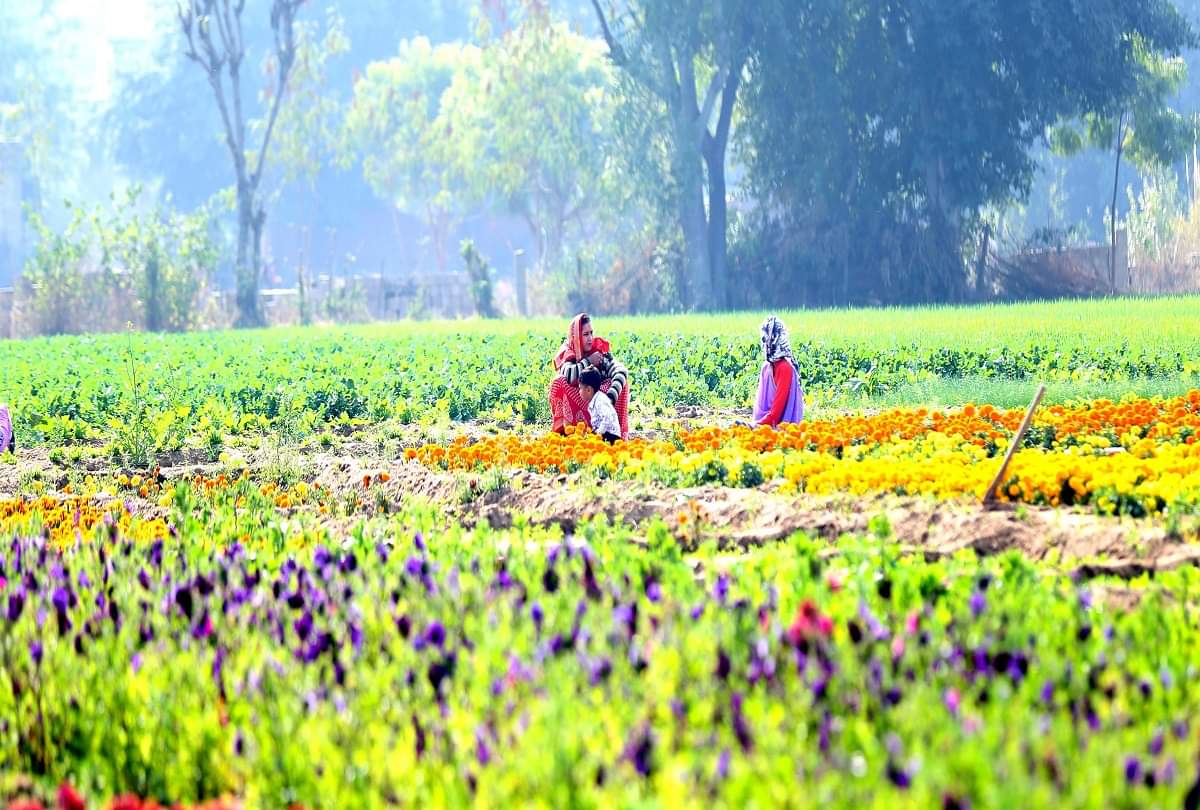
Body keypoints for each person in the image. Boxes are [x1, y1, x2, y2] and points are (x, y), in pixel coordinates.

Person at [548, 313, 630, 438]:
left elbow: (621, 371)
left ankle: (611, 436)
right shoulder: (569, 352)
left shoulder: (598, 352)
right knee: (559, 382)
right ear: (575, 337)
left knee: (621, 384)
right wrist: (589, 361)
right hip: (577, 401)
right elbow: (569, 375)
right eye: (586, 334)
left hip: (599, 406)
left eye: (591, 333)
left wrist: (609, 399)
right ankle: (567, 432)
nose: (590, 338)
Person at [753, 315, 804, 427]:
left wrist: (754, 426)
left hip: (783, 431)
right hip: (764, 425)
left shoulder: (785, 368)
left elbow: (775, 416)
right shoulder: (766, 367)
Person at [579, 368, 622, 443]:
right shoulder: (594, 400)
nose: (579, 392)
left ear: (589, 390)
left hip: (611, 437)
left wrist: (598, 433)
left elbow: (608, 417)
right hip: (604, 434)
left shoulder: (600, 401)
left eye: (580, 388)